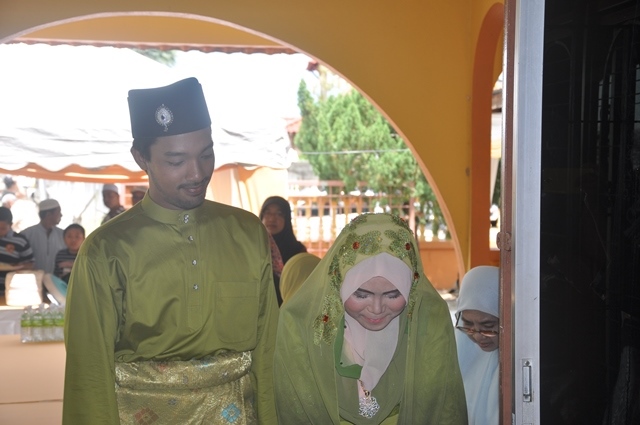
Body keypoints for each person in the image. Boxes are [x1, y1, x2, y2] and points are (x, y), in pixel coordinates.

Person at [62, 77, 278, 425]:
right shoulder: (106, 250)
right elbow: (88, 372)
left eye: (206, 154)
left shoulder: (247, 233)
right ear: (141, 158)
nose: (198, 173)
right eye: (176, 161)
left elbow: (268, 351)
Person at [274, 212, 467, 424]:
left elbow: (444, 411)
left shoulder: (429, 324)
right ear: (340, 284)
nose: (376, 309)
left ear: (411, 289)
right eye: (361, 295)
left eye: (393, 295)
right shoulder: (302, 328)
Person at [455, 265, 500, 425]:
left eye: (488, 326)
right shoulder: (459, 350)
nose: (477, 336)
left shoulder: (516, 362)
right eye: (468, 324)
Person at [21, 199, 65, 274]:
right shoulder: (27, 234)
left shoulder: (63, 235)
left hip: (56, 279)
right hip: (33, 278)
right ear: (48, 214)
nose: (61, 215)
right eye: (58, 212)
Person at [259, 196, 307, 265]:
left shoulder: (298, 251)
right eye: (268, 213)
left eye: (279, 214)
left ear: (287, 220)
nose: (272, 219)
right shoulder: (252, 246)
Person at [0, 207, 34, 294]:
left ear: (10, 225)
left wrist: (18, 267)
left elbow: (30, 264)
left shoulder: (20, 241)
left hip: (10, 290)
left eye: (3, 228)